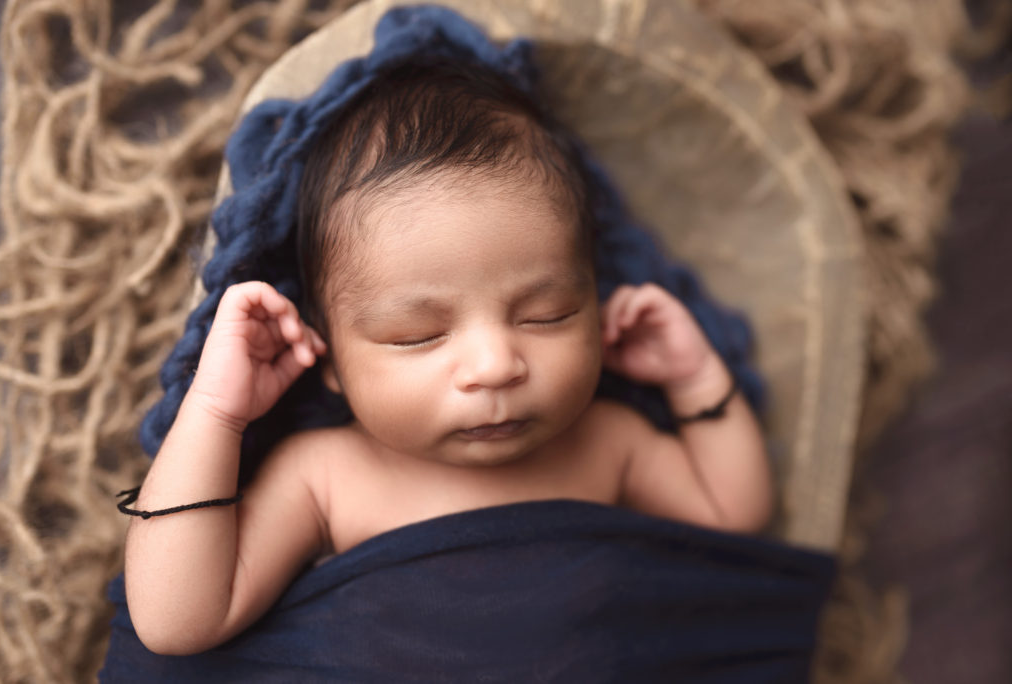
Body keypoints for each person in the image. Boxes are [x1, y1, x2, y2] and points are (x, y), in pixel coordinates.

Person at [122, 56, 773, 656]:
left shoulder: (608, 441)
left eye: (545, 316)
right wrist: (215, 413)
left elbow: (733, 517)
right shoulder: (325, 476)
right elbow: (179, 621)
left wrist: (693, 377)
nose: (495, 366)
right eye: (416, 335)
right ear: (329, 360)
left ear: (597, 304)